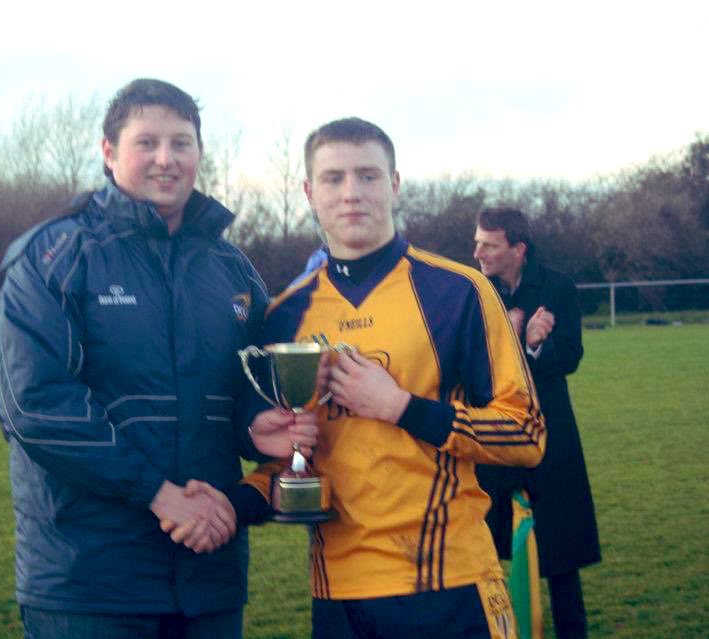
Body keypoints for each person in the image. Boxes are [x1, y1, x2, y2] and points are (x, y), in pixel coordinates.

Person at [0, 78, 315, 639]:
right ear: (109, 152)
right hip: (88, 583)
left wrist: (255, 426)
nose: (166, 159)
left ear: (198, 154)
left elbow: (247, 389)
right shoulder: (53, 257)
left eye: (181, 143)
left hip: (208, 572)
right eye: (148, 143)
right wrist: (160, 495)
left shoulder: (232, 269)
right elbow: (35, 406)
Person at [216, 117, 546, 639]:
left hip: (450, 585)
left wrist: (401, 407)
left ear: (394, 185)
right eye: (333, 178)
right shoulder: (284, 316)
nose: (352, 193)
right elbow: (291, 459)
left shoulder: (459, 292)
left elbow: (526, 435)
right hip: (338, 600)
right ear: (308, 191)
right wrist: (228, 505)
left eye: (368, 176)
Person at [473, 207, 600, 639]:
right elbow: (472, 368)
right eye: (478, 242)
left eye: (488, 244)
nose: (478, 253)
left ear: (518, 248)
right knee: (484, 552)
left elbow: (570, 357)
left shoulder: (558, 287)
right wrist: (517, 340)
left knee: (560, 555)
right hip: (493, 434)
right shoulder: (474, 292)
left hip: (551, 437)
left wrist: (537, 348)